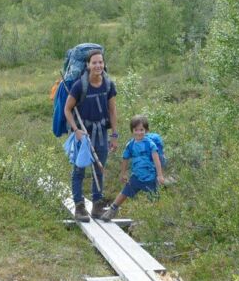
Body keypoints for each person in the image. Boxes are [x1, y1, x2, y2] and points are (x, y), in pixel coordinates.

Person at [64, 49, 118, 221]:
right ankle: (79, 207)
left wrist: (114, 135)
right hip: (84, 134)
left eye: (100, 62)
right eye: (94, 62)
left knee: (99, 168)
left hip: (101, 132)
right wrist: (76, 129)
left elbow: (112, 110)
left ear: (104, 64)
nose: (98, 65)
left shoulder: (108, 84)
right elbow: (67, 109)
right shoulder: (80, 85)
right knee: (79, 170)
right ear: (87, 65)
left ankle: (97, 207)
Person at [101, 114, 164, 221]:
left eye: (142, 130)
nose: (139, 132)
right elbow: (125, 159)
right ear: (132, 131)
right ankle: (112, 210)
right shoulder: (130, 145)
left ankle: (154, 218)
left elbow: (156, 160)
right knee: (125, 192)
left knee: (154, 198)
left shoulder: (150, 144)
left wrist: (160, 175)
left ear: (146, 130)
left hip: (150, 177)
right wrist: (123, 173)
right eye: (136, 130)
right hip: (136, 176)